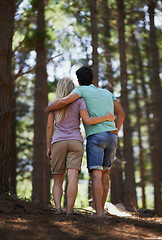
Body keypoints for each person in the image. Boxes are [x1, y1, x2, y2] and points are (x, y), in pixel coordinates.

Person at [46, 67, 125, 217]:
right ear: (93, 79)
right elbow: (121, 113)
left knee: (93, 174)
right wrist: (115, 130)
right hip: (107, 137)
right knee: (104, 174)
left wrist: (49, 109)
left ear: (79, 82)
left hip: (90, 137)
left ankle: (95, 212)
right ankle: (89, 210)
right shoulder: (106, 94)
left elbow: (62, 103)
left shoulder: (80, 93)